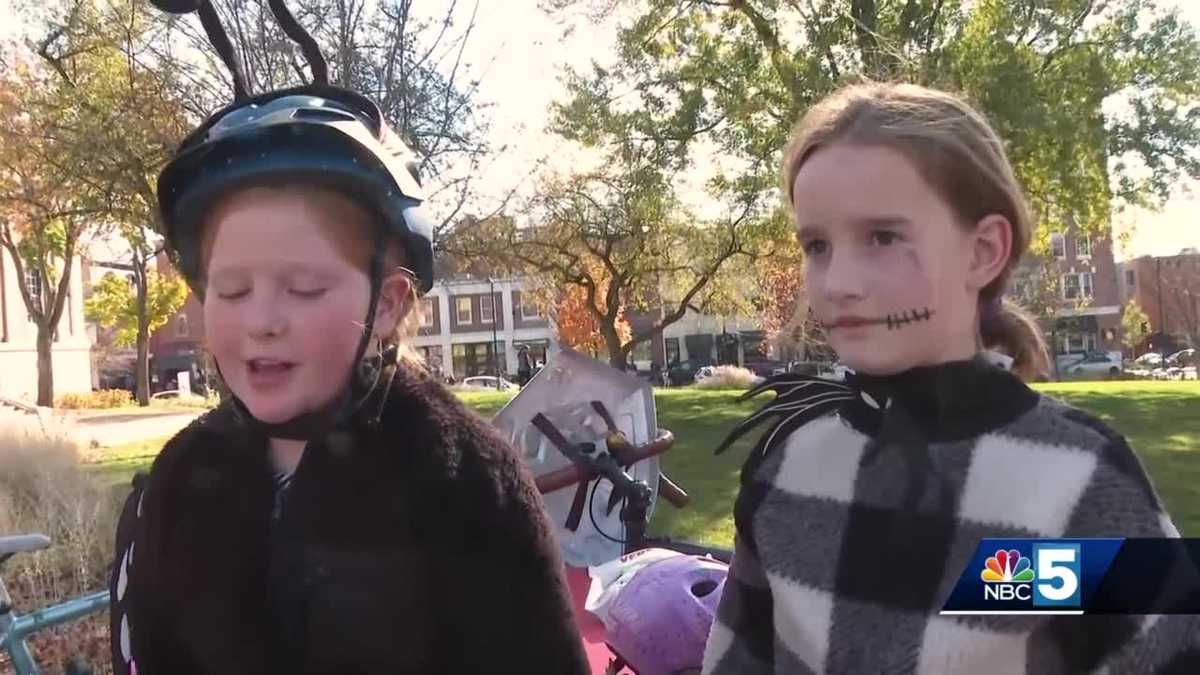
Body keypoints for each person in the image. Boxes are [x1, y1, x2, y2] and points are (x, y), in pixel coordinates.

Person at [108, 2, 587, 674]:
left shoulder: (467, 481)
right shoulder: (182, 481)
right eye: (232, 290)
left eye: (303, 288)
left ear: (387, 304)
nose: (260, 319)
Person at [702, 82, 1199, 674]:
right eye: (817, 245)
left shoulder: (1074, 481)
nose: (837, 283)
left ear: (983, 251)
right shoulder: (786, 466)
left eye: (883, 237)